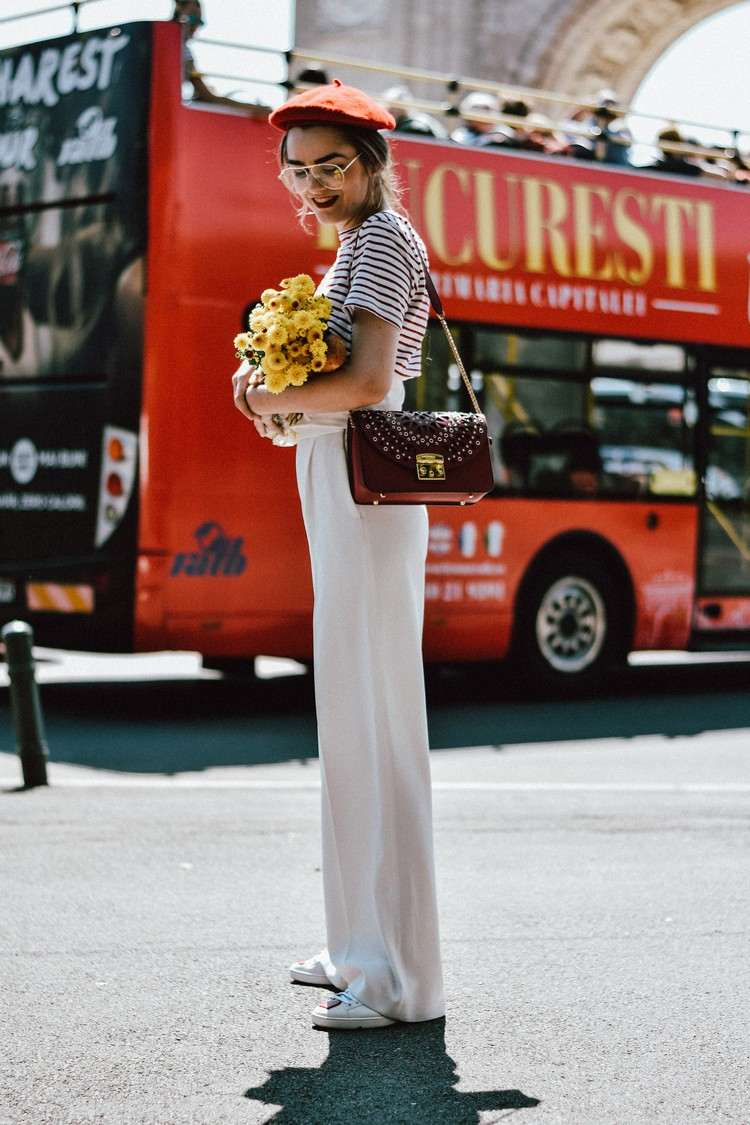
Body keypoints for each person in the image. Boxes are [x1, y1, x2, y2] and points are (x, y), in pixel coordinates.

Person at [232, 80, 445, 1031]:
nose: (314, 184)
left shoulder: (382, 242)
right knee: (350, 714)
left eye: (333, 165)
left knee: (372, 716)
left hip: (365, 483)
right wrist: (278, 393)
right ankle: (356, 943)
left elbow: (365, 379)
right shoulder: (365, 245)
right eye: (300, 169)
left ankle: (396, 977)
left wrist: (265, 397)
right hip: (349, 483)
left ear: (371, 164)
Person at [172, 0, 268, 118]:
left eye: (199, 23)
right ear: (180, 17)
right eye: (193, 20)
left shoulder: (176, 46)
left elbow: (204, 95)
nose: (195, 28)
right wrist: (255, 109)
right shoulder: (178, 47)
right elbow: (207, 96)